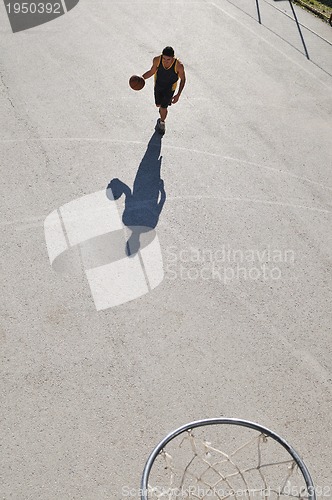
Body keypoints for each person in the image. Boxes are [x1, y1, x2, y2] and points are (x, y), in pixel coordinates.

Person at [142, 46, 186, 135]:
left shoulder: (179, 66)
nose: (165, 61)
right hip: (158, 85)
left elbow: (183, 79)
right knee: (158, 104)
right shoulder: (157, 60)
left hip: (170, 89)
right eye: (164, 58)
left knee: (163, 107)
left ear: (173, 57)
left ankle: (162, 122)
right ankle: (162, 111)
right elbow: (151, 72)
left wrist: (178, 94)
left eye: (168, 59)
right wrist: (142, 78)